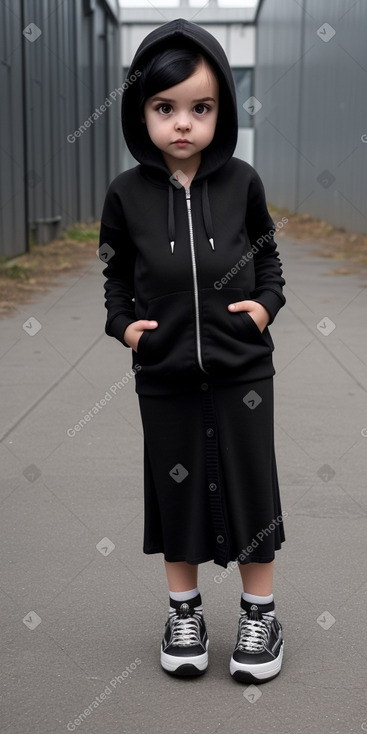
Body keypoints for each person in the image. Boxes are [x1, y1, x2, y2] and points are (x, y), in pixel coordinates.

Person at [99, 18, 286, 684]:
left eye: (199, 108)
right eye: (164, 108)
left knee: (250, 489)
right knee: (173, 491)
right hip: (164, 374)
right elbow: (114, 276)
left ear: (221, 111)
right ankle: (184, 613)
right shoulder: (124, 195)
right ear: (140, 112)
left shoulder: (241, 182)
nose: (182, 123)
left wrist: (264, 307)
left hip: (243, 372)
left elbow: (268, 259)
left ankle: (259, 614)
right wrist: (124, 327)